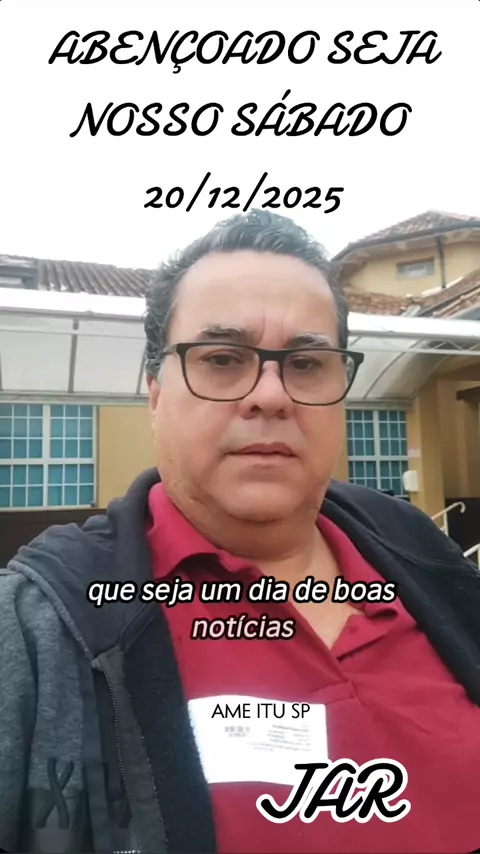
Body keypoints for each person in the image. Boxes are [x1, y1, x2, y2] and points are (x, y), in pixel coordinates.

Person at [1, 210, 479, 854]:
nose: (271, 395)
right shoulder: (38, 630)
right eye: (223, 358)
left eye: (306, 363)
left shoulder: (424, 555)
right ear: (155, 393)